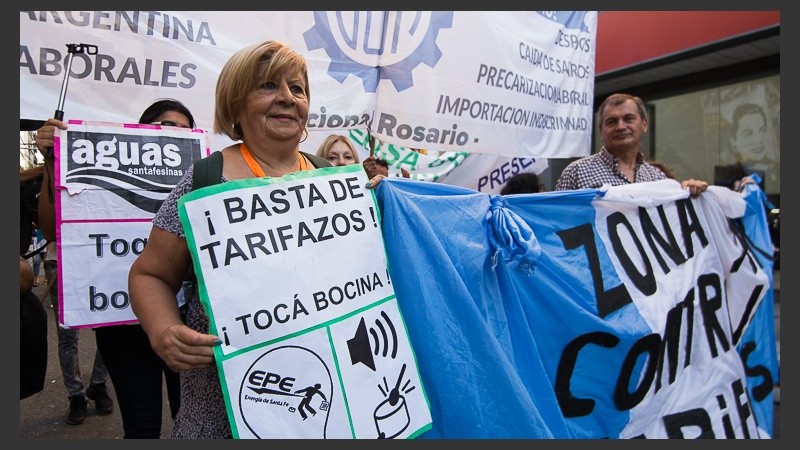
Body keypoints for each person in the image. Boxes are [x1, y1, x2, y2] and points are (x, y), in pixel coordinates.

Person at [128, 40, 340, 439]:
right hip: (221, 414)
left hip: (326, 404)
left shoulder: (334, 179)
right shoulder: (203, 182)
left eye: (297, 88)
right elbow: (149, 274)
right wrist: (163, 331)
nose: (286, 98)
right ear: (235, 103)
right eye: (267, 86)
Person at [34, 99, 196, 437]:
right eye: (168, 127)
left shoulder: (202, 179)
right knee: (143, 427)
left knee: (192, 422)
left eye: (186, 130)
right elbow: (51, 231)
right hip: (123, 325)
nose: (176, 136)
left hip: (183, 319)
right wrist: (53, 160)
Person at [555, 93, 708, 197]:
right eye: (612, 121)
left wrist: (689, 192)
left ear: (644, 125)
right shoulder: (576, 173)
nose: (621, 126)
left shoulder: (658, 178)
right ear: (601, 131)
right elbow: (554, 223)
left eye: (628, 119)